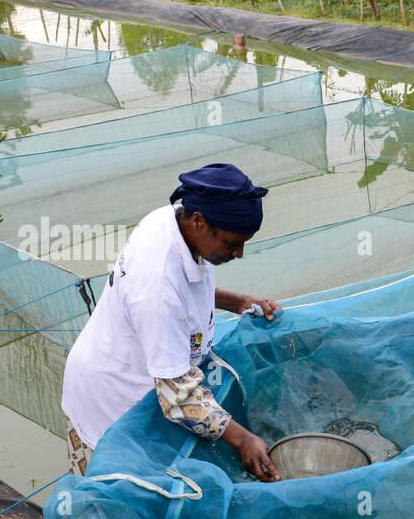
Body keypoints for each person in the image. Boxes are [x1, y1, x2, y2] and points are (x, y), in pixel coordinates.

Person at [62, 163, 282, 483]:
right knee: (111, 503)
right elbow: (179, 396)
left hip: (147, 383)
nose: (239, 252)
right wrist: (244, 439)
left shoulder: (174, 221)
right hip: (112, 399)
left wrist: (236, 301)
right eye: (232, 243)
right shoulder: (156, 283)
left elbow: (186, 291)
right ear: (199, 222)